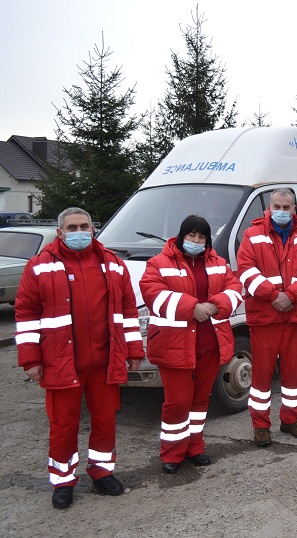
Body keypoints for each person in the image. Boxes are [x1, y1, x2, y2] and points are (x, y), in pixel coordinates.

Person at [14, 207, 144, 509]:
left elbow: (127, 312)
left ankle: (102, 473)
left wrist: (134, 350)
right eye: (72, 228)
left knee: (104, 421)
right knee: (63, 425)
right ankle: (62, 481)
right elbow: (27, 314)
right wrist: (30, 358)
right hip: (61, 363)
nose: (79, 232)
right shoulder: (40, 266)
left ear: (93, 228)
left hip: (103, 363)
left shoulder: (113, 265)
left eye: (84, 226)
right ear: (60, 233)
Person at [139, 215, 243, 474]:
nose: (196, 241)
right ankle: (172, 453)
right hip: (174, 345)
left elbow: (235, 289)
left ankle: (195, 447)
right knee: (178, 402)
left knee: (199, 401)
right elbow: (152, 294)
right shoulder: (158, 263)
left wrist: (214, 304)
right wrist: (191, 308)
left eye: (202, 237)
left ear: (207, 240)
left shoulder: (218, 263)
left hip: (210, 343)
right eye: (191, 236)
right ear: (181, 236)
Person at [237, 188, 297, 445]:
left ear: (294, 208)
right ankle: (261, 425)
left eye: (286, 208)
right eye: (277, 206)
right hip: (265, 317)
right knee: (262, 374)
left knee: (292, 373)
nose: (282, 212)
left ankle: (290, 420)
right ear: (269, 206)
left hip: (295, 316)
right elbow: (245, 271)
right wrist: (274, 296)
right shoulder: (252, 235)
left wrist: (292, 295)